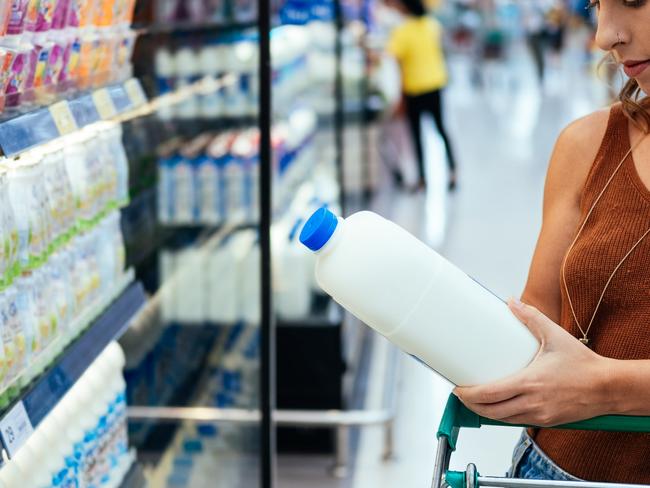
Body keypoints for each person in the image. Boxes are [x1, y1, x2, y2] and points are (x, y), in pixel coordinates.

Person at [454, 0, 650, 482]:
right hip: (557, 470)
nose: (605, 36)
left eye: (632, 0)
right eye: (596, 5)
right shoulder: (588, 145)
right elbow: (540, 320)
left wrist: (605, 388)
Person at [385, 0, 458, 192]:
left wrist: (400, 96)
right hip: (435, 83)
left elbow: (396, 64)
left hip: (414, 88)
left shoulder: (402, 32)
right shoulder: (432, 25)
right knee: (441, 129)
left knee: (416, 135)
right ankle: (453, 171)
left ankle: (422, 179)